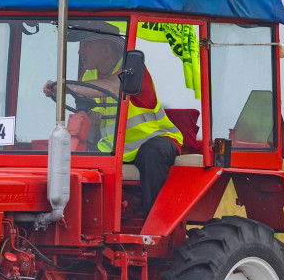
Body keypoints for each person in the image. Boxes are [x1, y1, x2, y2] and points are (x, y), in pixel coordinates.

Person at [44, 21, 182, 217]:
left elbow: (113, 87)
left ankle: (155, 221)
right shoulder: (89, 75)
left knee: (153, 152)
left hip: (153, 140)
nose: (79, 52)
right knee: (70, 154)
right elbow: (93, 118)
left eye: (86, 45)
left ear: (106, 49)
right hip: (113, 148)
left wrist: (67, 86)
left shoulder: (134, 72)